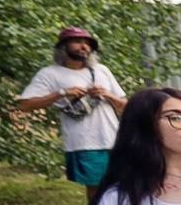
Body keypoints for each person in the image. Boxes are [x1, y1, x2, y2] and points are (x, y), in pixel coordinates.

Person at [15, 25, 126, 189]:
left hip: (116, 140)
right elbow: (24, 105)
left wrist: (107, 95)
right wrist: (61, 93)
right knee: (97, 190)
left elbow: (126, 107)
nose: (84, 46)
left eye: (88, 43)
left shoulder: (102, 70)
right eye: (77, 42)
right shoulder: (50, 73)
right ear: (62, 47)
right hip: (85, 144)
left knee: (124, 187)